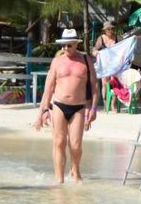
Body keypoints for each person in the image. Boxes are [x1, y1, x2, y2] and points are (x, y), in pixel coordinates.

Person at [35, 28, 98, 183]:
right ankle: (59, 179)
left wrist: (93, 109)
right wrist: (42, 111)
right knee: (59, 141)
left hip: (79, 107)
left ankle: (75, 171)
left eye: (69, 45)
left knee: (75, 145)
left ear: (76, 44)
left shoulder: (85, 60)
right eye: (63, 46)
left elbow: (94, 86)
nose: (66, 48)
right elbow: (48, 88)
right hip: (58, 105)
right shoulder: (57, 61)